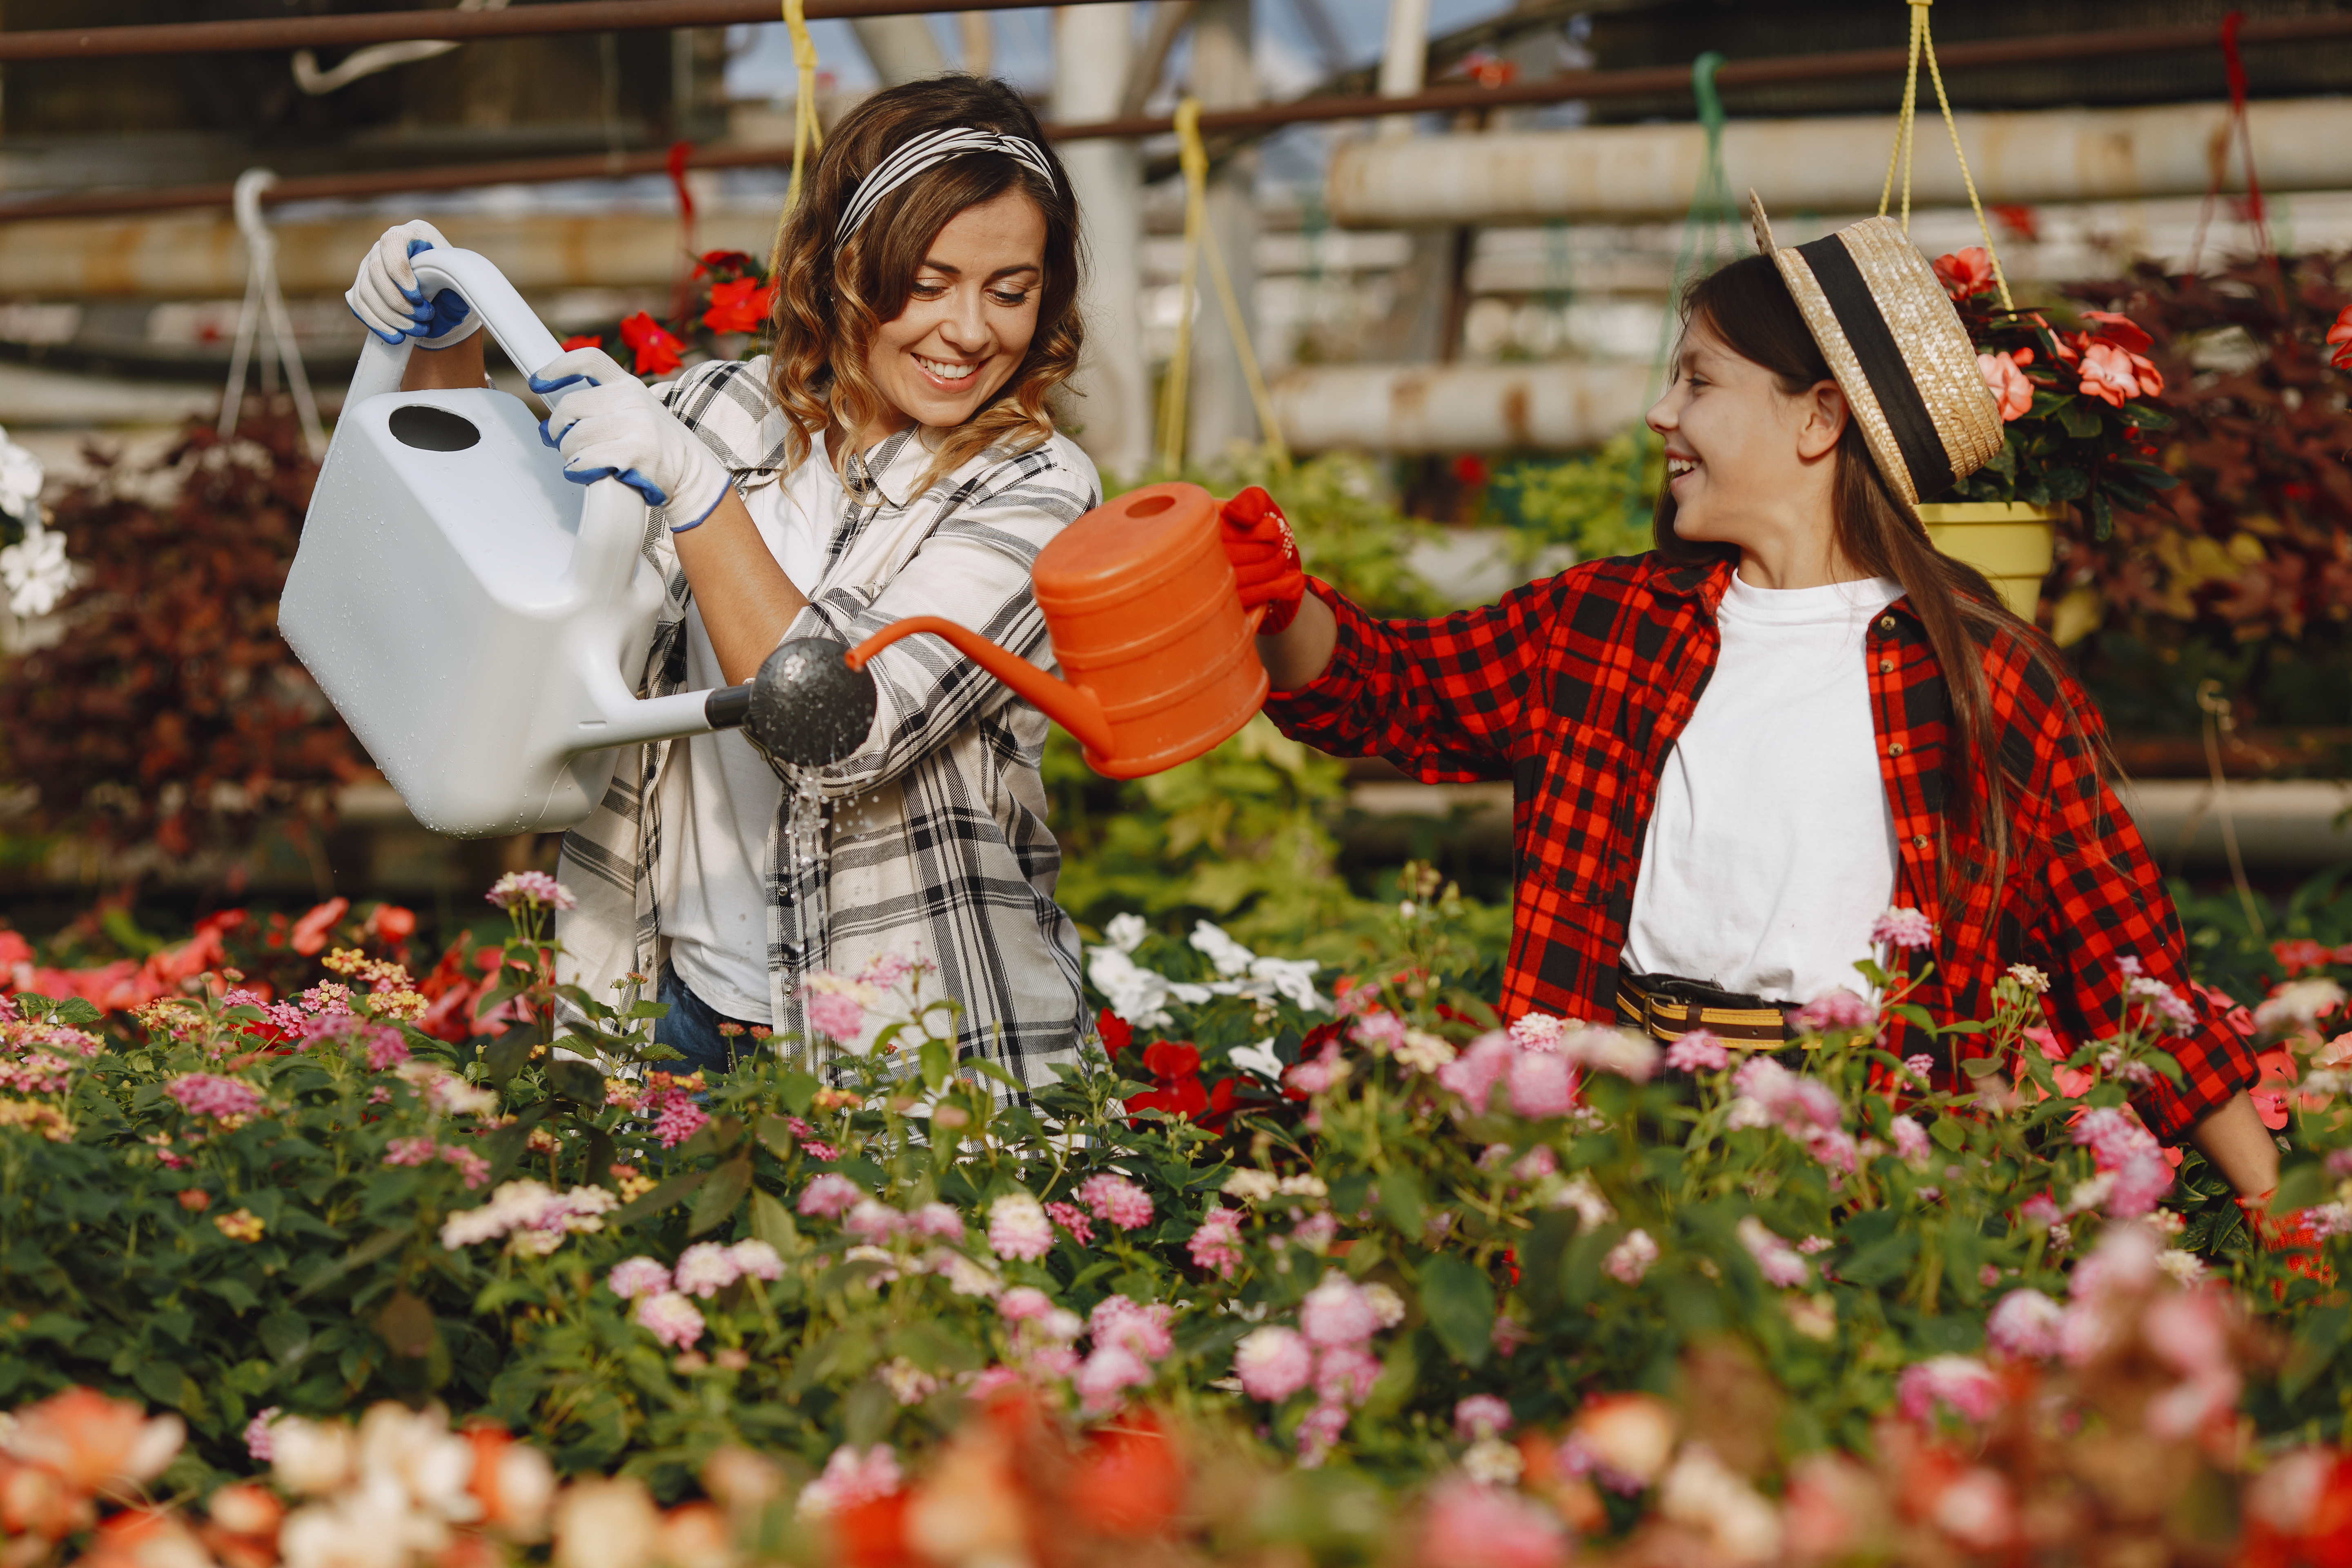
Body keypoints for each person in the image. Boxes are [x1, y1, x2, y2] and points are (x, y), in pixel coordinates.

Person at [1225, 198, 2278, 1198]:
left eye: (1698, 382)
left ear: (1820, 418)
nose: (1660, 412)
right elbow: (1388, 688)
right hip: (1616, 1136)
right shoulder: (1608, 623)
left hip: (1862, 1162)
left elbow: (2126, 965)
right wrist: (1282, 599)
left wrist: (2279, 1206)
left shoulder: (1984, 675)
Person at [347, 77, 1099, 1085]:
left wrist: (700, 498)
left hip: (916, 1051)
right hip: (672, 1016)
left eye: (1011, 291)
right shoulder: (715, 411)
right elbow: (501, 572)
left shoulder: (1032, 487)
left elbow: (844, 731)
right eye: (927, 284)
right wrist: (444, 344)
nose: (969, 330)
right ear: (841, 269)